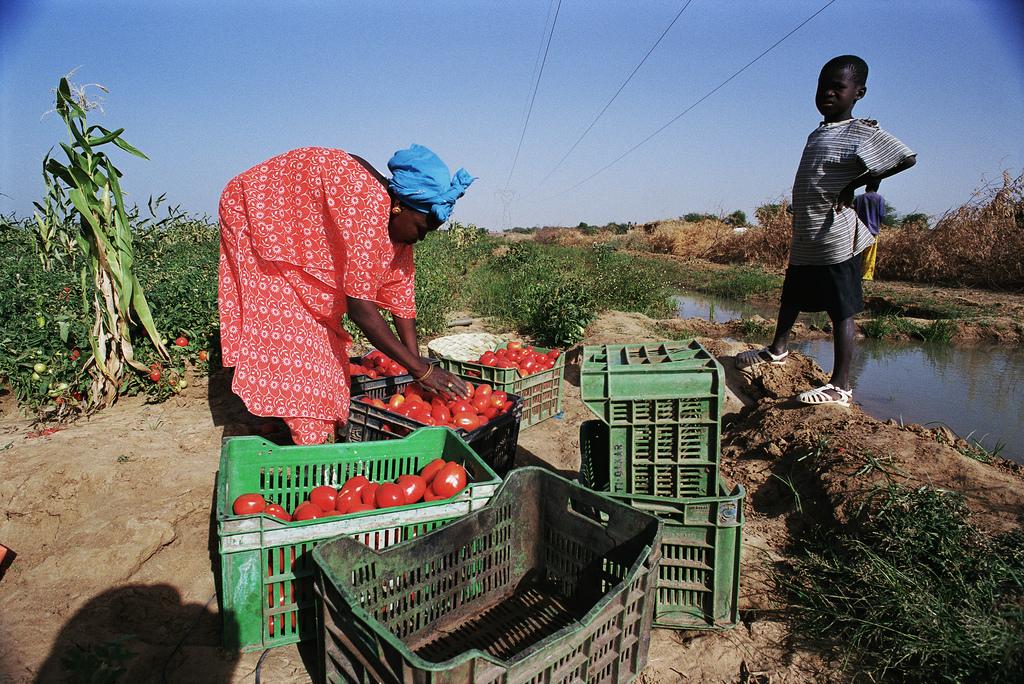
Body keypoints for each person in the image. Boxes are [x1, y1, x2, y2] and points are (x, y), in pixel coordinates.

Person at [218, 144, 475, 444]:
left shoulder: (393, 224)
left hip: (296, 229)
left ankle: (296, 415)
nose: (421, 238)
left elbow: (401, 295)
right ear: (399, 206)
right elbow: (360, 310)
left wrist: (418, 366)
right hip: (255, 213)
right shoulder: (367, 207)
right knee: (292, 331)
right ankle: (307, 436)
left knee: (318, 327)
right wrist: (420, 369)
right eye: (421, 228)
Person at [736, 55, 916, 407]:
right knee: (792, 294)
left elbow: (905, 158)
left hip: (836, 238)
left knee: (842, 310)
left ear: (858, 93)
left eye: (839, 87)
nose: (829, 93)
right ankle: (777, 349)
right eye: (823, 87)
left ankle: (841, 387)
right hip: (809, 236)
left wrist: (858, 182)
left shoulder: (860, 130)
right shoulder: (819, 131)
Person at [855, 178, 885, 280]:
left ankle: (855, 274)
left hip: (859, 231)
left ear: (867, 186)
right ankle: (866, 276)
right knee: (870, 254)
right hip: (873, 231)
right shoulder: (880, 199)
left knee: (858, 253)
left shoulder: (858, 199)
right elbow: (881, 215)